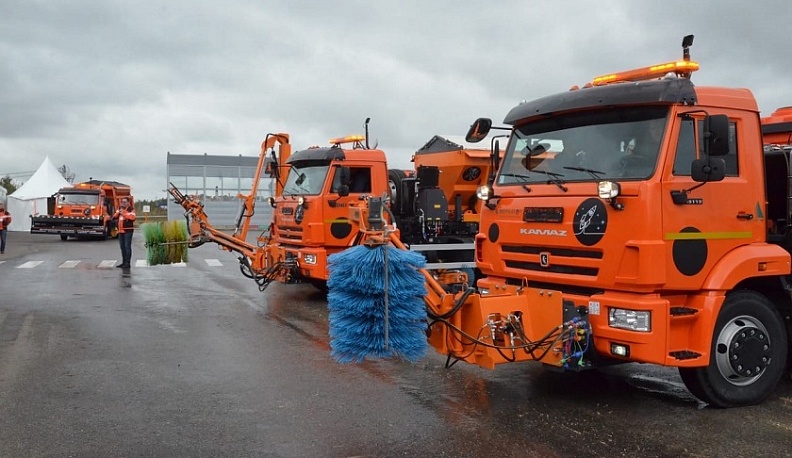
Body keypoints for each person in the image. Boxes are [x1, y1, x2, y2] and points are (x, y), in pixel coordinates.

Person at [114, 198, 136, 268]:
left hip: (128, 230)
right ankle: (124, 262)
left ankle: (127, 263)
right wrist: (118, 213)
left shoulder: (131, 209)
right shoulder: (119, 208)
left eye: (124, 202)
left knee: (127, 246)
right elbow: (115, 216)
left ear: (128, 202)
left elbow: (132, 218)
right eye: (122, 202)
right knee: (122, 247)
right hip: (121, 231)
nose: (123, 203)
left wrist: (123, 213)